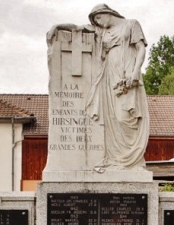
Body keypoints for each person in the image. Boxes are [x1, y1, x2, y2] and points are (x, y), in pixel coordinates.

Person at [47, 4, 150, 172]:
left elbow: (141, 49)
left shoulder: (131, 24)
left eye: (99, 18)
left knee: (127, 117)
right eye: (95, 21)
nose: (99, 23)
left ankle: (131, 161)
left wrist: (136, 71)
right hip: (109, 76)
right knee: (113, 118)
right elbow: (78, 28)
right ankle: (116, 160)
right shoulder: (102, 32)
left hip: (128, 74)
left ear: (107, 13)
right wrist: (57, 26)